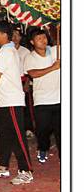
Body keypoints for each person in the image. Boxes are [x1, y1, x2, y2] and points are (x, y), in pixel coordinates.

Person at [0, 21, 33, 185]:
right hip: (5, 101)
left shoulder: (5, 53)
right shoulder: (7, 51)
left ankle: (26, 170)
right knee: (4, 135)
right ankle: (2, 165)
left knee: (17, 136)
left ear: (5, 35)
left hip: (11, 100)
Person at [24, 28, 60, 163]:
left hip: (59, 97)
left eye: (44, 37)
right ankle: (43, 148)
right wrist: (52, 68)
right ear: (32, 42)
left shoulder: (56, 50)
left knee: (60, 130)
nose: (43, 41)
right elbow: (32, 73)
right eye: (39, 39)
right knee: (43, 129)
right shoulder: (30, 57)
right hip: (42, 100)